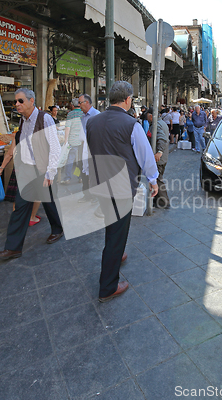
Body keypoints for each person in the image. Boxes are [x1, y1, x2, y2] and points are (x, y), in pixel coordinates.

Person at [86, 81, 158, 302]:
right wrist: (153, 179)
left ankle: (118, 253)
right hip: (122, 187)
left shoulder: (92, 122)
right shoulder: (131, 124)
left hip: (100, 184)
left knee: (112, 225)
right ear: (128, 99)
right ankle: (107, 286)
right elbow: (145, 155)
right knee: (117, 231)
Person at [0, 88, 63, 260]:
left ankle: (58, 229)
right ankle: (13, 248)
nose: (17, 104)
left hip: (42, 169)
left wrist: (50, 172)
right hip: (27, 171)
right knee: (20, 207)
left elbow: (55, 147)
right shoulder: (23, 121)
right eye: (15, 101)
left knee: (49, 203)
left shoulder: (44, 118)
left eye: (20, 101)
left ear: (32, 101)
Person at [0, 133, 41, 227]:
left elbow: (10, 153)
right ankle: (31, 218)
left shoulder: (19, 133)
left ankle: (17, 219)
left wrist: (1, 168)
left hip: (19, 168)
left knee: (17, 195)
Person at [77, 93, 100, 204]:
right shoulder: (82, 116)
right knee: (83, 172)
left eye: (80, 102)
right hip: (83, 148)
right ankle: (86, 195)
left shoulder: (97, 115)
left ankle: (95, 196)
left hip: (93, 148)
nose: (79, 105)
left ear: (87, 102)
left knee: (94, 172)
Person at [146, 108, 170, 209]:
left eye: (148, 117)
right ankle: (158, 200)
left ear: (151, 116)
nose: (147, 120)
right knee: (157, 179)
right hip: (162, 158)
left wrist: (159, 152)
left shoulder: (157, 125)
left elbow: (162, 139)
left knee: (157, 180)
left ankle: (164, 202)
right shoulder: (162, 123)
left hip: (158, 159)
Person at [61, 98, 83, 185]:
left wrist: (66, 141)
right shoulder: (83, 113)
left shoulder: (70, 114)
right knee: (80, 160)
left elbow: (67, 128)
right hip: (81, 141)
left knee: (70, 160)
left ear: (72, 105)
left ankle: (67, 178)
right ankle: (80, 177)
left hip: (72, 141)